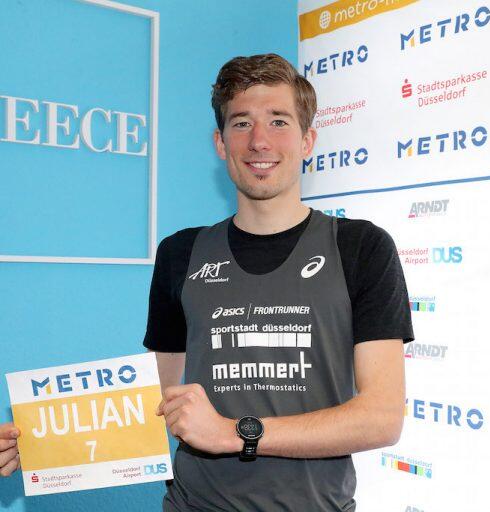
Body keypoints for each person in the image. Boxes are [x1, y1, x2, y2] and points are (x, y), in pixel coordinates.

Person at [1, 54, 414, 512]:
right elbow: (153, 399)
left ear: (307, 140)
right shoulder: (181, 253)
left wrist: (236, 434)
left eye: (278, 121)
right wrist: (39, 443)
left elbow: (381, 417)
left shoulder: (360, 247)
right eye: (241, 123)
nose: (259, 141)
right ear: (220, 142)